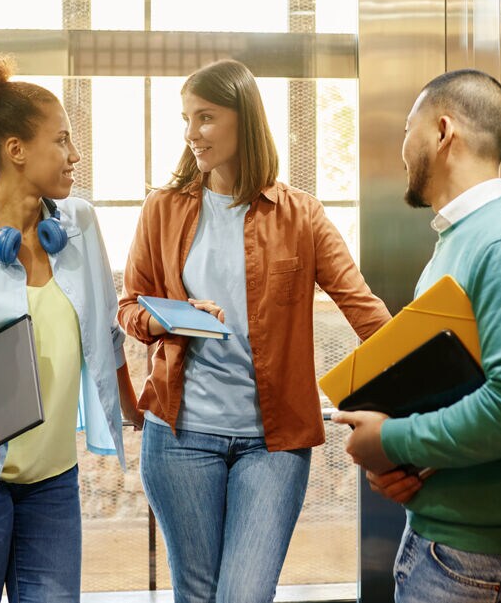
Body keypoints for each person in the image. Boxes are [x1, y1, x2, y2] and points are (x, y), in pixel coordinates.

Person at [117, 59, 391, 603]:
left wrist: (429, 386)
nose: (192, 133)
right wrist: (172, 316)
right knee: (197, 595)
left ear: (244, 119)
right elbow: (130, 307)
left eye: (206, 117)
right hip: (179, 437)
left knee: (244, 594)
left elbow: (364, 311)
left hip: (273, 443)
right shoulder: (163, 209)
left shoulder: (302, 215)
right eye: (186, 119)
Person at [0, 44, 142, 603]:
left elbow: (106, 333)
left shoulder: (80, 224)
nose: (74, 155)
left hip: (53, 484)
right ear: (16, 150)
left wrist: (137, 409)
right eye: (61, 139)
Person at [334, 69, 501, 603]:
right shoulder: (460, 239)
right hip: (448, 547)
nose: (403, 149)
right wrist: (408, 467)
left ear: (442, 131)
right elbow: (465, 393)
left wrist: (390, 440)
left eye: (410, 129)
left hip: (484, 563)